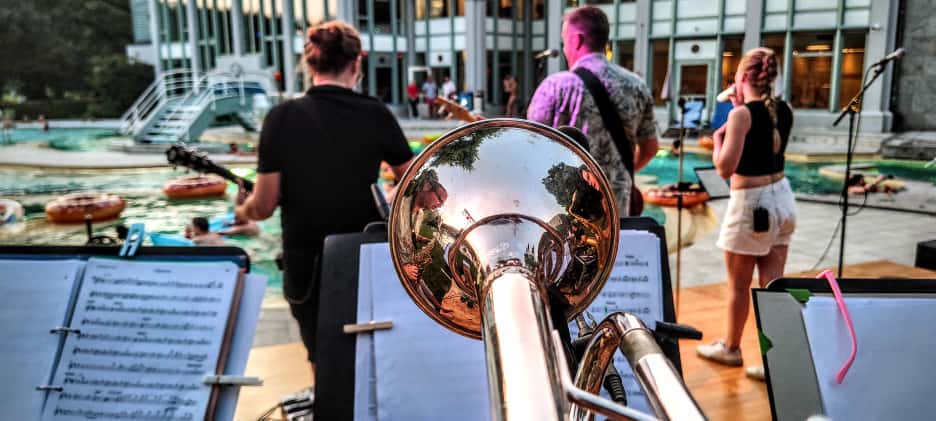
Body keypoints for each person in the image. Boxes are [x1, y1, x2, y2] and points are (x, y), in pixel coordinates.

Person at [234, 20, 413, 378]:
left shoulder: (281, 117)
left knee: (323, 360)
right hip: (362, 257)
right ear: (357, 62)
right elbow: (413, 181)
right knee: (368, 354)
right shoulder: (374, 112)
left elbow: (263, 206)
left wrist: (243, 207)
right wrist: (389, 195)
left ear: (310, 63)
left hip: (307, 264)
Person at [696, 47, 795, 381]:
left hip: (751, 204)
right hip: (782, 200)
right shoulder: (784, 110)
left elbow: (725, 168)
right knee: (773, 286)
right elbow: (763, 141)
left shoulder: (741, 115)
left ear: (742, 76)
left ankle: (731, 348)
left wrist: (719, 136)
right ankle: (776, 361)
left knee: (739, 286)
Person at [526, 6, 660, 216]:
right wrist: (619, 174)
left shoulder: (555, 86)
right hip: (617, 212)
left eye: (564, 41)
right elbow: (651, 148)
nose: (564, 49)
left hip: (567, 213)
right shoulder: (637, 86)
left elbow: (530, 148)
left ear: (576, 40)